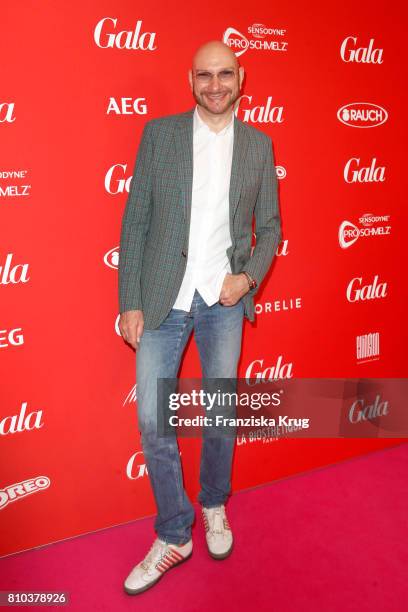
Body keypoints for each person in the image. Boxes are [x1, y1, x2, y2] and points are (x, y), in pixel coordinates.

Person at [118, 40, 281, 595]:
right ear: (191, 80)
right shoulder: (159, 136)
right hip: (164, 298)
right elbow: (136, 220)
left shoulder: (259, 146)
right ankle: (173, 532)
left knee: (221, 415)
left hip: (223, 303)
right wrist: (130, 301)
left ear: (242, 77)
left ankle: (213, 505)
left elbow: (273, 228)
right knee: (153, 423)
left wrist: (249, 277)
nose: (216, 84)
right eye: (205, 75)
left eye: (226, 74)